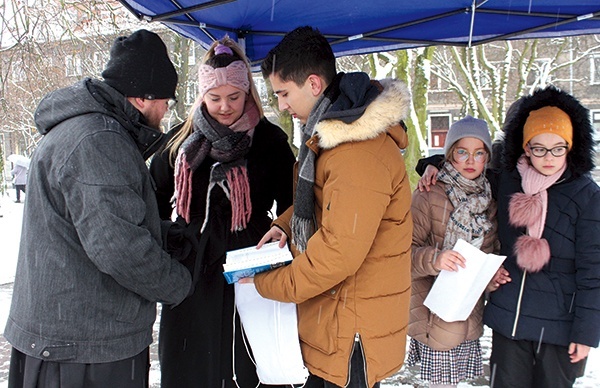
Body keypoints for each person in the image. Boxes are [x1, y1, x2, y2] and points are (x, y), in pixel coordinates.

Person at [4, 29, 193, 388]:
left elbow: (91, 223)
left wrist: (167, 235)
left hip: (71, 337)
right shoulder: (99, 141)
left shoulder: (89, 129)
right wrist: (180, 284)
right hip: (83, 349)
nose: (167, 110)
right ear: (142, 97)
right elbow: (119, 248)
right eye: (166, 100)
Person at [243, 26, 413, 387]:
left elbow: (338, 254)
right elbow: (326, 202)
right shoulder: (335, 132)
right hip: (336, 317)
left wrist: (265, 284)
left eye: (284, 93)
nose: (282, 105)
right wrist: (286, 225)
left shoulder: (358, 152)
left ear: (315, 84)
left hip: (351, 330)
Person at [416, 86, 600, 387]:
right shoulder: (507, 179)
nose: (549, 157)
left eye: (558, 148)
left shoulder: (586, 196)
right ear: (526, 147)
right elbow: (465, 168)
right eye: (539, 148)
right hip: (509, 321)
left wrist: (586, 334)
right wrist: (431, 165)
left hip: (559, 328)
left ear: (570, 147)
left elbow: (594, 271)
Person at [149, 36, 296, 387]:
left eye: (234, 97)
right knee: (191, 362)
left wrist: (280, 232)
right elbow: (150, 205)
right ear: (202, 96)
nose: (225, 107)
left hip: (251, 265)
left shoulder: (269, 140)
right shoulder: (177, 144)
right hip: (191, 269)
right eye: (215, 98)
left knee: (248, 358)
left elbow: (294, 203)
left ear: (248, 94)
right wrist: (173, 243)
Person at [408, 116, 508, 388]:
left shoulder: (490, 199)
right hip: (433, 314)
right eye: (462, 152)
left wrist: (491, 277)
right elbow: (402, 255)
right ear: (449, 154)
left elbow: (488, 253)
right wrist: (436, 259)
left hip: (468, 315)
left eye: (478, 153)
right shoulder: (428, 193)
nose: (470, 160)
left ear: (487, 157)